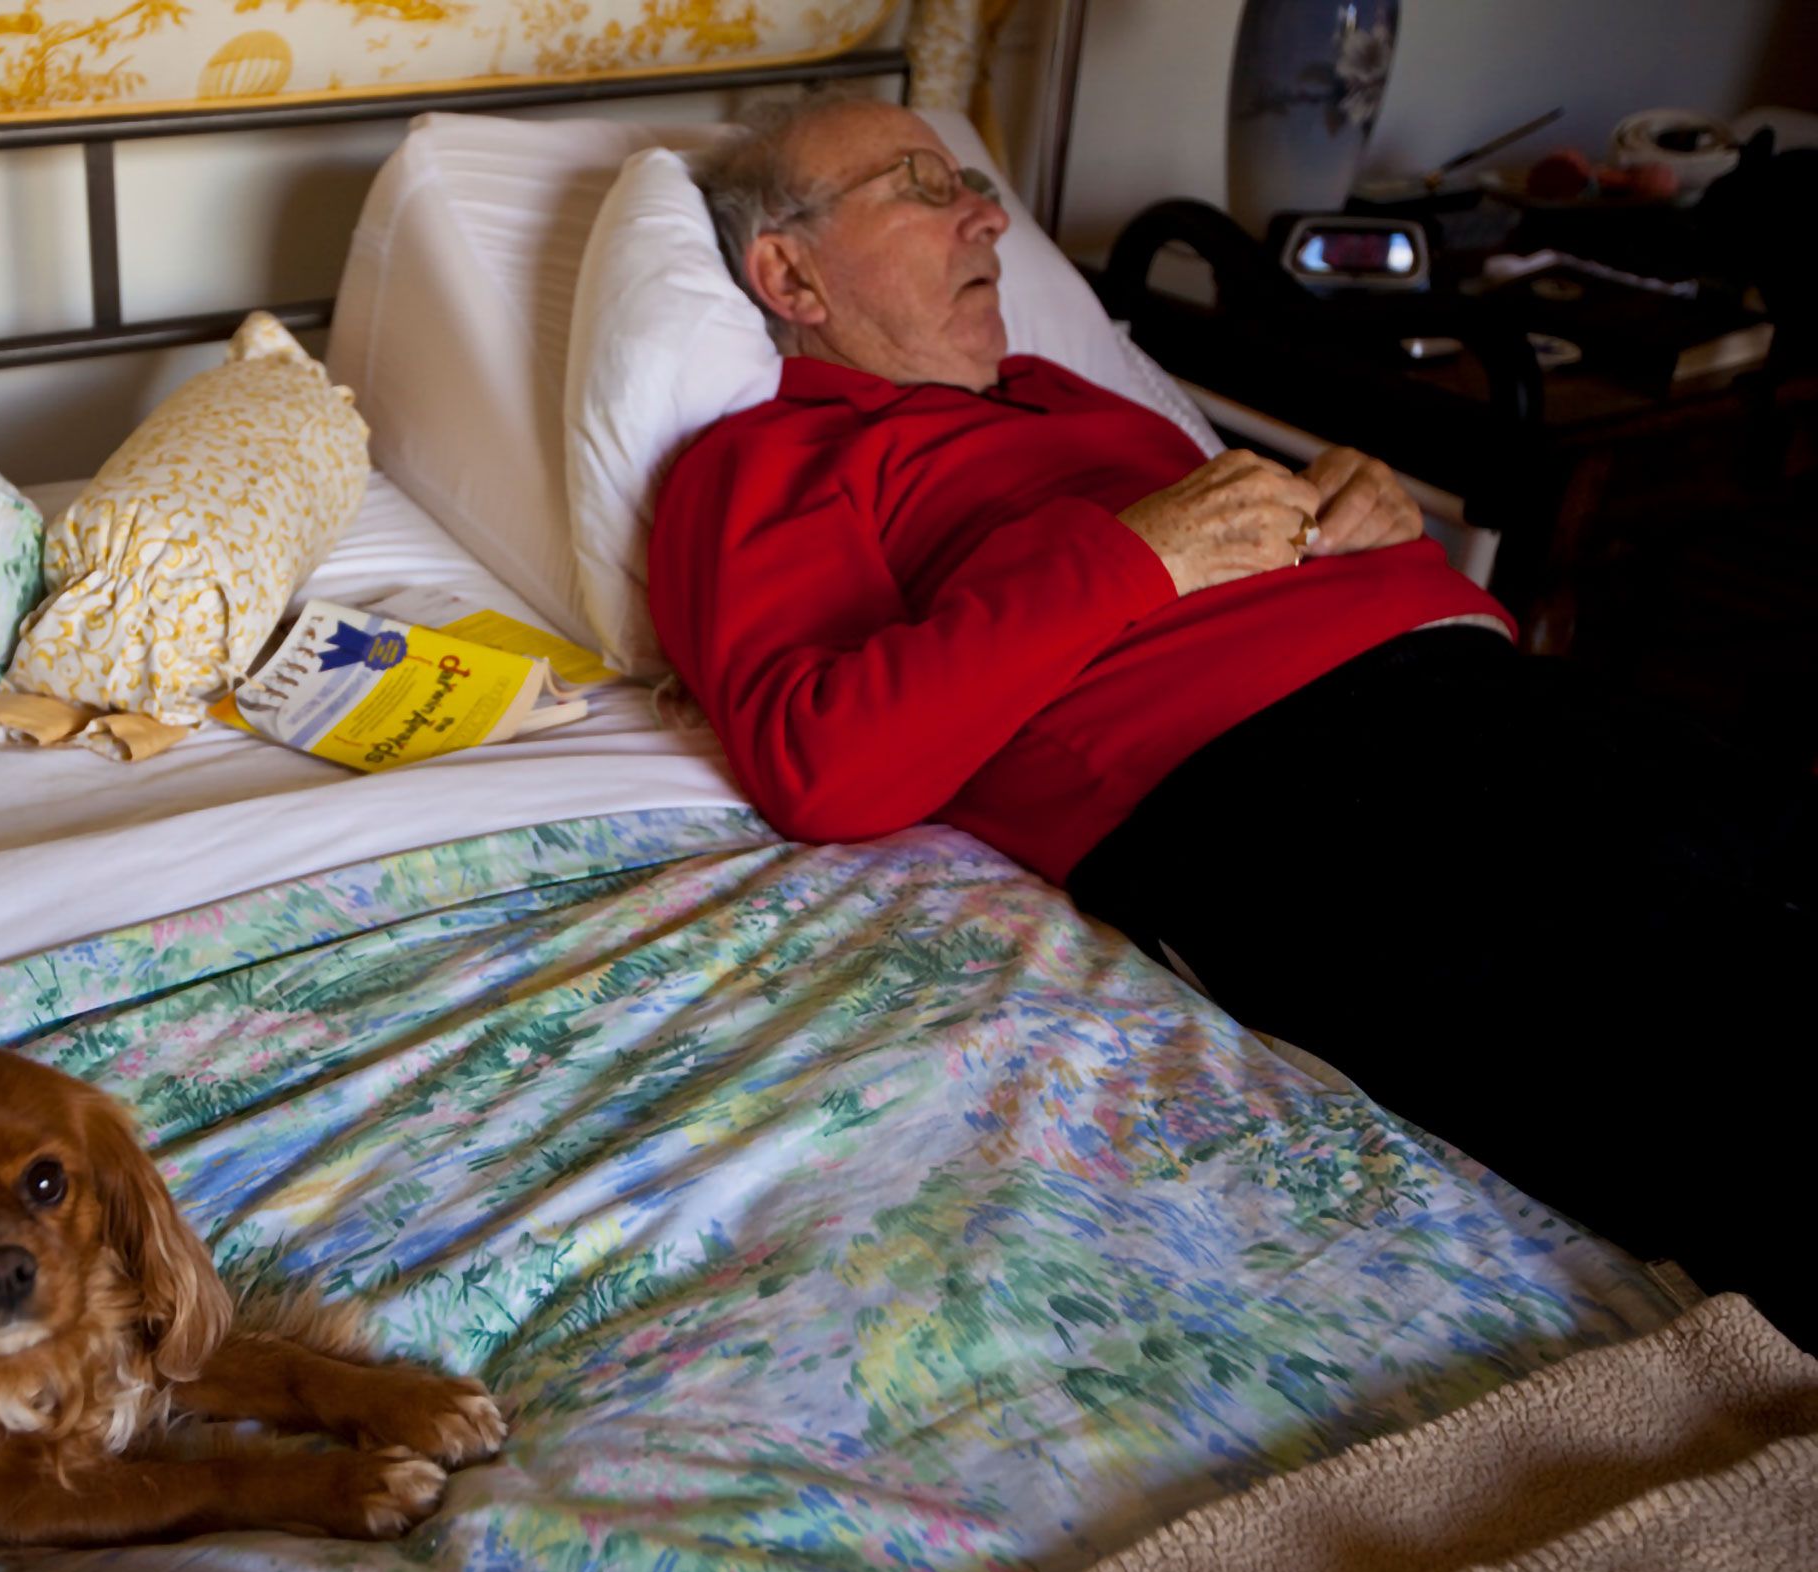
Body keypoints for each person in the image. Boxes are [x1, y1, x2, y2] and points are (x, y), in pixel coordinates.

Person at [649, 93, 1814, 1343]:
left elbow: (1236, 567)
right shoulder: (772, 458)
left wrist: (1359, 523)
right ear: (789, 274)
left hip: (1502, 702)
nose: (986, 211)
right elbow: (820, 762)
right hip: (1272, 781)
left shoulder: (1070, 398)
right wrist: (1134, 556)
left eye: (966, 183)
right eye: (919, 187)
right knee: (1726, 1073)